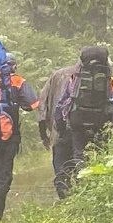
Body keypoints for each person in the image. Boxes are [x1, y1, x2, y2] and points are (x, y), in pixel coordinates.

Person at [0, 50, 39, 222]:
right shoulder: (17, 81)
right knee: (2, 176)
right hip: (8, 135)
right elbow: (31, 104)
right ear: (12, 66)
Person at [55, 46, 113, 182]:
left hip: (78, 123)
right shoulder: (110, 81)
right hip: (103, 123)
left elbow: (61, 106)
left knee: (79, 154)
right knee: (102, 153)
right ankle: (100, 183)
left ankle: (83, 183)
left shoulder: (74, 80)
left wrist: (61, 129)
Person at [38, 64, 77, 199]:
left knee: (61, 168)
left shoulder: (57, 75)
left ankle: (64, 197)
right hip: (86, 133)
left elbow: (42, 105)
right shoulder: (101, 76)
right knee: (82, 164)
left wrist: (44, 135)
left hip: (59, 131)